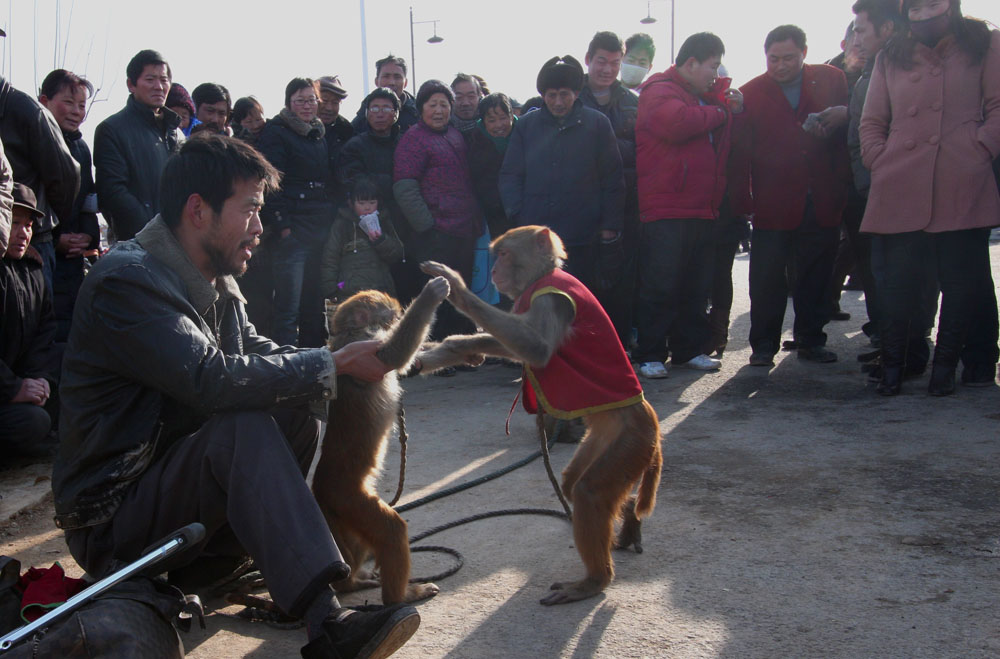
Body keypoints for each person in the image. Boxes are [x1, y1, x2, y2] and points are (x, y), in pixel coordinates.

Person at [51, 135, 420, 658]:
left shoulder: (218, 282)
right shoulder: (127, 280)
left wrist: (348, 366)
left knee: (297, 409)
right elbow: (211, 379)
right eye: (249, 209)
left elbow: (262, 355)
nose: (260, 227)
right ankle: (328, 624)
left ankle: (217, 569)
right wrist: (330, 363)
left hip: (171, 505)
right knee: (244, 428)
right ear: (197, 211)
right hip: (112, 525)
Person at [860, 0, 1000, 395]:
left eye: (932, 4)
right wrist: (878, 158)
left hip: (961, 176)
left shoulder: (985, 43)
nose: (923, 13)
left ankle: (948, 371)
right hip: (900, 179)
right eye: (915, 7)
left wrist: (980, 147)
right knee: (899, 283)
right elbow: (872, 120)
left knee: (962, 280)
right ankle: (892, 370)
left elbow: (998, 106)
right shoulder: (893, 53)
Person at [729, 25, 851, 367]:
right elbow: (741, 152)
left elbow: (846, 133)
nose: (780, 65)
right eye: (773, 59)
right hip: (772, 202)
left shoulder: (832, 79)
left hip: (823, 197)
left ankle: (811, 339)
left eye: (788, 58)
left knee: (816, 275)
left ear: (805, 53)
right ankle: (763, 346)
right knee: (767, 279)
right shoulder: (751, 92)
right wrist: (744, 201)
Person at [631, 32, 739, 379]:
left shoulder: (703, 96)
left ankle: (689, 349)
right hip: (665, 208)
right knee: (660, 283)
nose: (714, 73)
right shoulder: (658, 89)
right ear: (690, 63)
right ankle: (649, 353)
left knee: (696, 285)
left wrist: (719, 101)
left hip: (702, 208)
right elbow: (676, 123)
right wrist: (719, 111)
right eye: (711, 66)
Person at [499, 56, 625, 307]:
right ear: (543, 95)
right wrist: (518, 214)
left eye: (565, 94)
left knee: (577, 303)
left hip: (582, 235)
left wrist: (609, 225)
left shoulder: (597, 124)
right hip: (536, 238)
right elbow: (510, 175)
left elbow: (613, 178)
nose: (558, 102)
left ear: (577, 93)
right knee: (538, 301)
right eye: (552, 95)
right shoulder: (526, 126)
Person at [393, 80, 481, 353]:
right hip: (435, 231)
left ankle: (463, 348)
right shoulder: (413, 139)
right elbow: (405, 186)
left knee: (460, 291)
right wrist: (427, 227)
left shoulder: (454, 135)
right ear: (421, 108)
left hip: (463, 229)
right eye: (433, 104)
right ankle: (435, 353)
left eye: (444, 104)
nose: (439, 110)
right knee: (436, 295)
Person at [256, 78, 334, 348]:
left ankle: (316, 361)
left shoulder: (318, 133)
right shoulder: (276, 132)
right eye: (299, 100)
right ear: (289, 102)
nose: (306, 106)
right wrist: (284, 228)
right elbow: (271, 184)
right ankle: (285, 363)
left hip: (318, 228)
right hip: (291, 232)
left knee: (315, 302)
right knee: (288, 306)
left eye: (311, 99)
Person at [579, 31, 640, 346]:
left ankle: (619, 346)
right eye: (601, 61)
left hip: (625, 205)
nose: (607, 69)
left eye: (615, 63)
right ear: (588, 60)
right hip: (580, 205)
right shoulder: (571, 98)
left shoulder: (633, 102)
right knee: (582, 281)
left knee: (621, 279)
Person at [0, 67, 80, 295]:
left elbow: (66, 176)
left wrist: (42, 227)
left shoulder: (26, 111)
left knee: (32, 324)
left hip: (32, 242)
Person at [38, 69, 100, 343]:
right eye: (68, 102)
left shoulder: (81, 148)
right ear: (44, 101)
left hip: (73, 258)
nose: (77, 111)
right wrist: (54, 239)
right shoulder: (33, 141)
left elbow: (88, 196)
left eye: (82, 105)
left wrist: (88, 235)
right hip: (39, 250)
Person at [94, 49, 182, 241]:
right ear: (131, 84)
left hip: (180, 240)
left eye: (164, 80)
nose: (159, 86)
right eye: (150, 79)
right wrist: (153, 231)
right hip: (138, 241)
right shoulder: (112, 129)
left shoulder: (177, 132)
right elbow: (112, 191)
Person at [1, 184, 59, 458]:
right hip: (6, 391)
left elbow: (43, 334)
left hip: (20, 383)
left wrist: (41, 379)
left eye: (28, 225)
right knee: (33, 422)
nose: (23, 232)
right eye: (14, 222)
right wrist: (15, 388)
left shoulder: (33, 271)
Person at [320, 175, 404, 302]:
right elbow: (331, 256)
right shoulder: (343, 224)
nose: (367, 207)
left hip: (380, 290)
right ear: (351, 204)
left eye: (372, 202)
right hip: (349, 291)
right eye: (361, 203)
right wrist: (330, 288)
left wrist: (381, 240)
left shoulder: (384, 221)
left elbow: (397, 253)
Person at [465, 92, 517, 242]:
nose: (499, 125)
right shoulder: (474, 143)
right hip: (493, 217)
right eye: (492, 120)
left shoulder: (524, 134)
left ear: (511, 115)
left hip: (525, 214)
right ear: (483, 121)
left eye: (503, 118)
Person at [351, 55, 419, 135]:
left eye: (397, 77)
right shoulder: (364, 113)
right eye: (386, 76)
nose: (391, 82)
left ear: (406, 83)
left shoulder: (419, 113)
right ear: (376, 81)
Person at [316, 75, 355, 205]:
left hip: (338, 207)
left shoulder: (346, 131)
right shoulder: (295, 129)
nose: (329, 108)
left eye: (335, 103)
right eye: (324, 101)